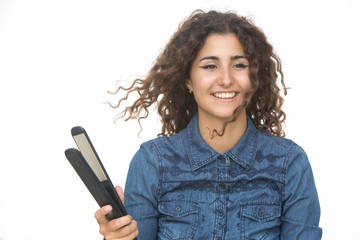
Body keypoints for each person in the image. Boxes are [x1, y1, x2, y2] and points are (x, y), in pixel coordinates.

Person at [94, 9, 322, 240]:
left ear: (255, 77)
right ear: (188, 80)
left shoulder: (290, 164)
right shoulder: (152, 163)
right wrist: (118, 236)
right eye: (210, 66)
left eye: (239, 65)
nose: (225, 79)